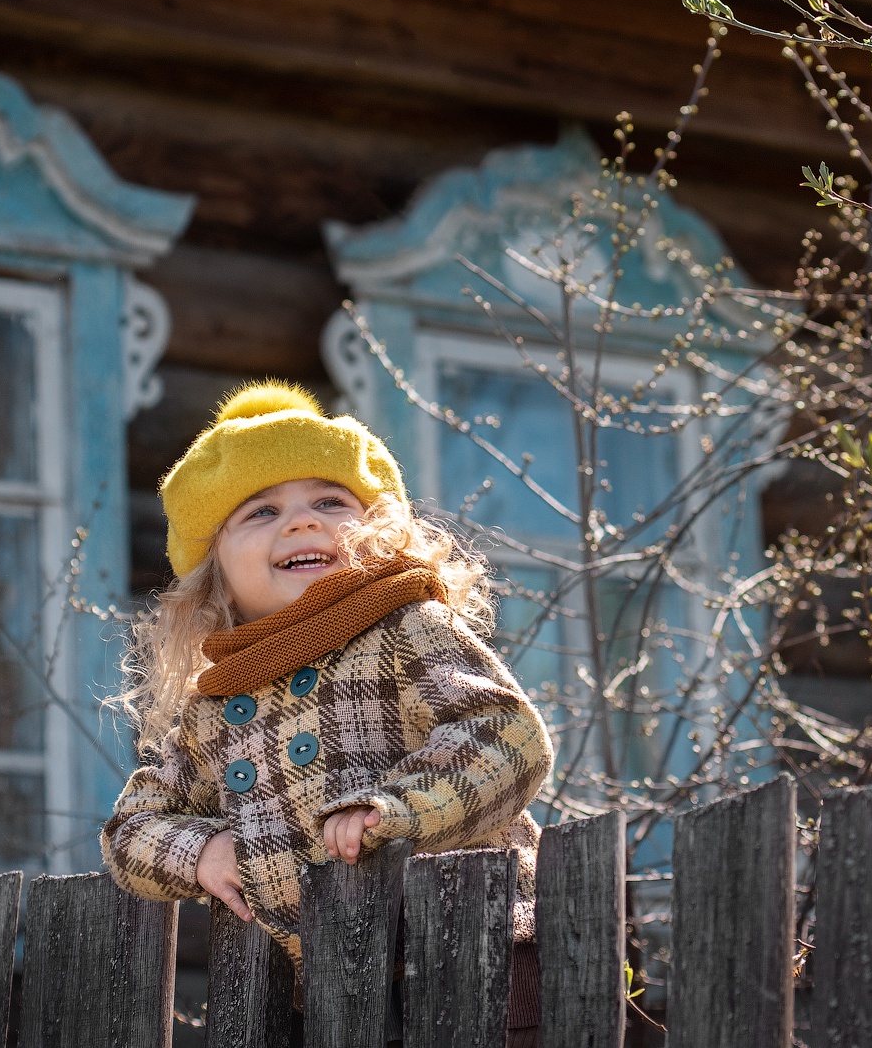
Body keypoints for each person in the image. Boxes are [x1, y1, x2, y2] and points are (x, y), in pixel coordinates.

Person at [103, 382, 553, 1039]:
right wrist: (204, 850)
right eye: (260, 511)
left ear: (378, 528)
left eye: (330, 501)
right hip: (328, 991)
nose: (302, 521)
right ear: (216, 573)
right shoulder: (217, 707)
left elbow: (507, 736)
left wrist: (397, 810)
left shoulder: (403, 626)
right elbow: (129, 829)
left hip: (478, 950)